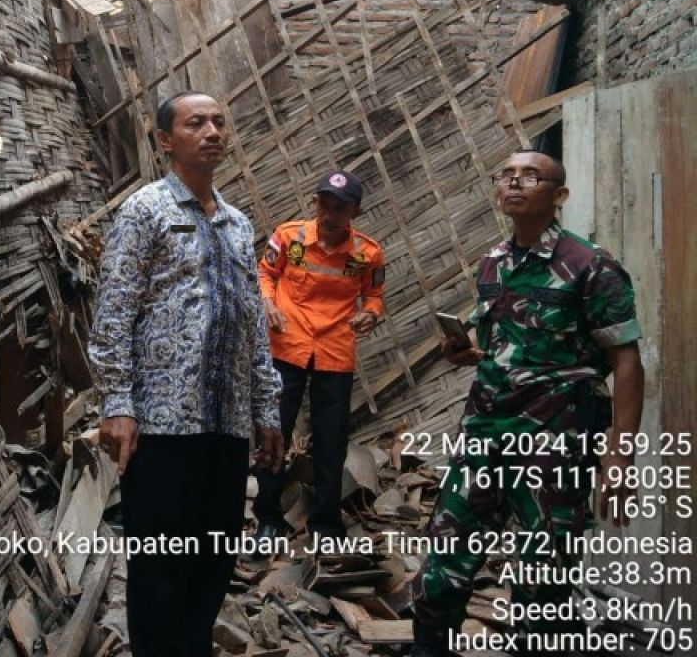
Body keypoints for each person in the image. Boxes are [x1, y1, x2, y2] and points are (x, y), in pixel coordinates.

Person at [410, 151, 644, 657]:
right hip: (484, 436)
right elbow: (502, 345)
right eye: (507, 175)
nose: (516, 182)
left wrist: (619, 457)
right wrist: (466, 352)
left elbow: (627, 362)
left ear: (558, 196)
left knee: (543, 581)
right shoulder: (493, 262)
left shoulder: (591, 265)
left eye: (532, 176)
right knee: (441, 570)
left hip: (555, 443)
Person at [89, 91, 284, 657]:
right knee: (159, 564)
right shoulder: (145, 211)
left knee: (214, 556)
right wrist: (117, 405)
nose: (213, 131)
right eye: (196, 122)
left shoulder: (237, 223)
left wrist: (266, 412)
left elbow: (251, 324)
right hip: (161, 425)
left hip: (225, 425)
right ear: (165, 141)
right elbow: (114, 313)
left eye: (220, 121)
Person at [251, 170, 385, 547]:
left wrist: (371, 314)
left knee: (331, 440)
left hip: (334, 351)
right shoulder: (289, 237)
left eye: (339, 206)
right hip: (287, 345)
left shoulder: (366, 253)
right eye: (323, 203)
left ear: (355, 210)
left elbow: (374, 296)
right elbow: (265, 273)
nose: (328, 213)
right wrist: (266, 302)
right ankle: (268, 517)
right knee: (272, 431)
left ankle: (326, 524)